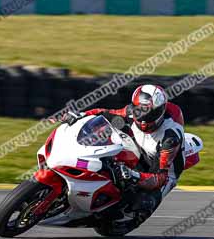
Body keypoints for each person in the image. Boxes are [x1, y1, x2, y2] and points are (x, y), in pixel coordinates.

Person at [76, 84, 185, 227]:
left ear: (161, 111)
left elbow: (160, 177)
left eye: (150, 113)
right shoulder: (132, 112)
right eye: (141, 111)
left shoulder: (169, 138)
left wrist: (133, 175)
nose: (144, 118)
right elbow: (104, 113)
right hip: (139, 149)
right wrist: (80, 115)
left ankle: (134, 219)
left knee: (145, 201)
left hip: (161, 169)